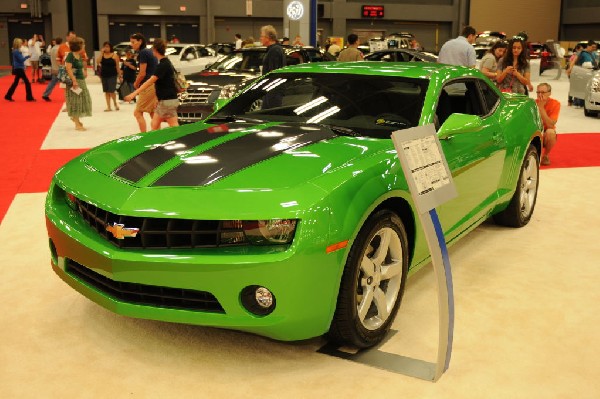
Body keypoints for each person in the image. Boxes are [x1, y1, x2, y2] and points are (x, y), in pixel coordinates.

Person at [125, 39, 179, 130]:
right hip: (166, 100)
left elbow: (150, 82)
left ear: (155, 50)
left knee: (173, 125)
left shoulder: (163, 65)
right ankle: (157, 142)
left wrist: (134, 93)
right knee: (155, 124)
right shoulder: (166, 62)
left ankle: (182, 141)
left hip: (168, 100)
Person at [130, 32, 158, 132]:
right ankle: (157, 134)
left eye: (133, 42)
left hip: (148, 85)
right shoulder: (148, 51)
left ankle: (143, 136)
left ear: (140, 41)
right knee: (152, 112)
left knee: (137, 113)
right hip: (153, 85)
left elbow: (142, 73)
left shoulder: (143, 53)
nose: (131, 44)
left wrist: (136, 83)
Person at [64, 37, 92, 131]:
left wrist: (84, 71)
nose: (84, 46)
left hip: (80, 80)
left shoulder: (78, 55)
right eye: (82, 44)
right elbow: (68, 68)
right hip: (75, 81)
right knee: (75, 100)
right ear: (78, 46)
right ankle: (77, 123)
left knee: (81, 99)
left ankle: (76, 119)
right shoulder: (71, 55)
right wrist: (74, 80)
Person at [535, 83, 560, 166]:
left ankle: (545, 155)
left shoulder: (555, 104)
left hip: (546, 131)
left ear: (549, 93)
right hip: (535, 130)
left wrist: (541, 108)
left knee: (551, 133)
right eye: (538, 92)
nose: (540, 95)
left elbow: (550, 125)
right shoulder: (533, 103)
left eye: (542, 92)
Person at [96, 41, 122, 111]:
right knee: (106, 91)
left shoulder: (115, 55)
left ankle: (115, 103)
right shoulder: (102, 55)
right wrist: (101, 53)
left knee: (111, 91)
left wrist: (120, 75)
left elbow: (117, 67)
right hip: (104, 75)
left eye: (107, 46)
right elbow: (97, 62)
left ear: (110, 47)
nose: (106, 48)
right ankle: (108, 106)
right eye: (105, 46)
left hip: (112, 75)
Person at [41, 37, 63, 101]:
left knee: (52, 82)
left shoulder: (52, 49)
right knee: (68, 82)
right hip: (60, 68)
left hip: (54, 68)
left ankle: (45, 94)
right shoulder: (60, 49)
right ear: (61, 42)